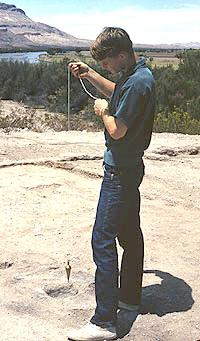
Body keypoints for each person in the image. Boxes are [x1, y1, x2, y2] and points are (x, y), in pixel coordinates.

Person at [67, 27, 155, 341]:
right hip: (132, 168)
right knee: (130, 235)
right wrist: (89, 74)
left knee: (102, 240)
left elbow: (117, 130)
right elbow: (117, 90)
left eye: (106, 61)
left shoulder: (137, 82)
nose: (106, 67)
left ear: (121, 53)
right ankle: (129, 298)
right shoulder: (138, 75)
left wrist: (104, 113)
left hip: (119, 172)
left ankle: (104, 321)